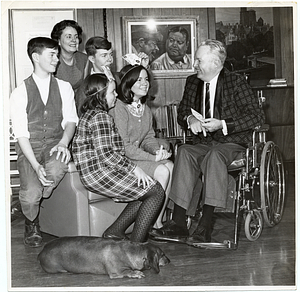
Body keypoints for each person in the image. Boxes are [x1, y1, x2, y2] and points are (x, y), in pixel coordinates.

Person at [150, 39, 265, 243]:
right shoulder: (192, 82)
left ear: (215, 63)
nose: (194, 65)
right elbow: (182, 112)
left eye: (198, 60)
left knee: (215, 155)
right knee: (184, 151)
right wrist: (190, 119)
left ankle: (207, 222)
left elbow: (255, 116)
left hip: (231, 143)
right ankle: (178, 222)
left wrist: (222, 123)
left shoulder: (235, 82)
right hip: (203, 143)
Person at [72, 73, 165, 243]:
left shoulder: (91, 114)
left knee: (144, 192)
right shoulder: (100, 117)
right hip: (99, 173)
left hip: (97, 172)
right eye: (112, 92)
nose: (116, 95)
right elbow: (107, 155)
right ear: (100, 96)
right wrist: (134, 169)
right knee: (156, 191)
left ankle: (114, 232)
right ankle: (137, 246)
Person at [10, 37, 78, 247]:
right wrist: (36, 165)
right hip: (29, 148)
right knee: (31, 195)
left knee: (56, 169)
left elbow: (71, 120)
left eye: (57, 54)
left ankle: (34, 198)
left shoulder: (64, 87)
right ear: (36, 57)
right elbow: (21, 135)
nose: (57, 59)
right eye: (52, 54)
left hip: (55, 145)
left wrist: (64, 143)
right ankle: (31, 221)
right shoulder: (19, 92)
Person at [109, 62, 173, 229]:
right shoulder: (119, 108)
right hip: (121, 161)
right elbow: (124, 146)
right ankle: (154, 225)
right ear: (128, 84)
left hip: (137, 157)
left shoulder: (144, 108)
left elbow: (148, 138)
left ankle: (157, 220)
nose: (145, 83)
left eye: (146, 79)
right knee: (162, 170)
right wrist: (153, 158)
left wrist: (158, 150)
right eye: (139, 80)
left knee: (170, 166)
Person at [75, 36, 117, 116]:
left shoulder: (118, 79)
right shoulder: (85, 87)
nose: (110, 59)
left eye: (111, 54)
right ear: (92, 59)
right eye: (104, 55)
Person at [51, 19, 89, 91]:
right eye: (69, 37)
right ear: (58, 41)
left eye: (76, 37)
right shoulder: (52, 60)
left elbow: (84, 89)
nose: (74, 40)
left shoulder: (84, 59)